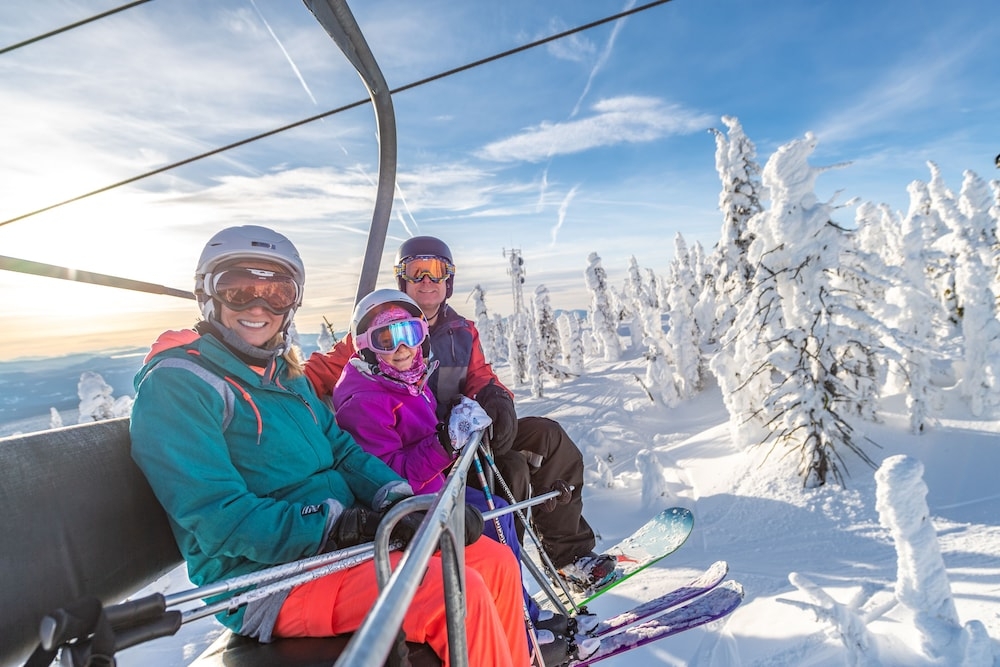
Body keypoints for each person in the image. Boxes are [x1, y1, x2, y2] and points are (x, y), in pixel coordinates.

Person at [129, 225, 530, 667]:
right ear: (208, 294)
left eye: (277, 293)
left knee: (493, 561)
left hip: (340, 551)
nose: (259, 307)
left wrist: (401, 502)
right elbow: (216, 517)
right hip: (270, 580)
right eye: (238, 290)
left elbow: (343, 451)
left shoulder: (285, 377)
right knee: (457, 591)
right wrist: (340, 526)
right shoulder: (179, 385)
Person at [305, 236, 616, 593]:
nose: (426, 280)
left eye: (435, 271)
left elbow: (481, 377)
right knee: (512, 470)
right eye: (416, 271)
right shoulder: (377, 335)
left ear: (448, 280)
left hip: (464, 435)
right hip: (424, 452)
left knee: (548, 437)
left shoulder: (461, 333)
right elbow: (312, 376)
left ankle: (569, 558)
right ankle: (502, 581)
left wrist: (496, 399)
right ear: (402, 279)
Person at [329, 288, 595, 665]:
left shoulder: (409, 375)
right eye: (386, 340)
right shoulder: (365, 400)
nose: (402, 348)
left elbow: (476, 380)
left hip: (436, 487)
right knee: (489, 522)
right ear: (365, 348)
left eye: (410, 334)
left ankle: (524, 612)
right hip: (408, 506)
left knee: (499, 508)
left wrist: (475, 406)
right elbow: (388, 475)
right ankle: (516, 633)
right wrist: (445, 442)